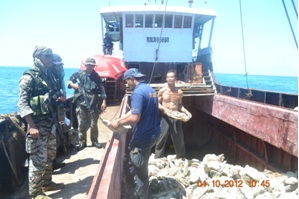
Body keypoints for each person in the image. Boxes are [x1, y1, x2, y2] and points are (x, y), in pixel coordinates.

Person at [18, 45, 64, 199]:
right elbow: (22, 104)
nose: (51, 59)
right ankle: (36, 193)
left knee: (50, 155)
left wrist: (58, 97)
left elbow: (50, 95)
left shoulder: (48, 75)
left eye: (51, 56)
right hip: (37, 125)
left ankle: (47, 182)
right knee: (38, 159)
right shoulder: (29, 77)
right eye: (48, 56)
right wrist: (31, 126)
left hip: (50, 123)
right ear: (38, 57)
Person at [110, 68, 161, 199]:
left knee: (140, 171)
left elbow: (134, 118)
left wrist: (119, 124)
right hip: (154, 133)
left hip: (144, 136)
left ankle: (142, 195)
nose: (127, 84)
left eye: (127, 81)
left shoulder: (137, 93)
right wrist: (119, 119)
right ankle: (136, 188)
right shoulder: (150, 90)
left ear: (132, 78)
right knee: (136, 162)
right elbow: (134, 111)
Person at [67, 57, 107, 151]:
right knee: (82, 124)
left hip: (93, 104)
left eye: (92, 65)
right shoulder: (79, 74)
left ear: (94, 66)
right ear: (85, 65)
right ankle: (82, 142)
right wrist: (74, 85)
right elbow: (68, 81)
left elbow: (102, 89)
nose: (90, 66)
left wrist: (104, 101)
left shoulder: (97, 76)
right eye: (88, 65)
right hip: (81, 103)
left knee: (94, 124)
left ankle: (94, 141)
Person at [154, 70, 192, 159]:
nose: (170, 78)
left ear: (175, 78)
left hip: (176, 116)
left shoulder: (179, 92)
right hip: (165, 116)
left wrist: (186, 112)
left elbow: (179, 105)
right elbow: (157, 103)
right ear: (166, 79)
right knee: (161, 138)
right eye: (168, 77)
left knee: (179, 138)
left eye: (172, 77)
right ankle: (157, 158)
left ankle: (181, 158)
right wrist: (164, 110)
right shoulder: (162, 91)